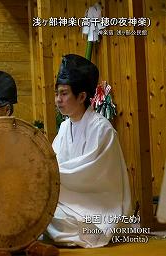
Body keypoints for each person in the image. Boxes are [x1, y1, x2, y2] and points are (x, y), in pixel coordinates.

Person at [46, 54, 132, 248]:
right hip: (68, 202)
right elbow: (52, 164)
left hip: (97, 205)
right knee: (44, 213)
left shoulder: (102, 129)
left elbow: (93, 176)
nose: (58, 100)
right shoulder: (64, 128)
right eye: (56, 93)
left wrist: (52, 173)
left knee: (61, 221)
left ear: (82, 96)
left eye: (64, 93)